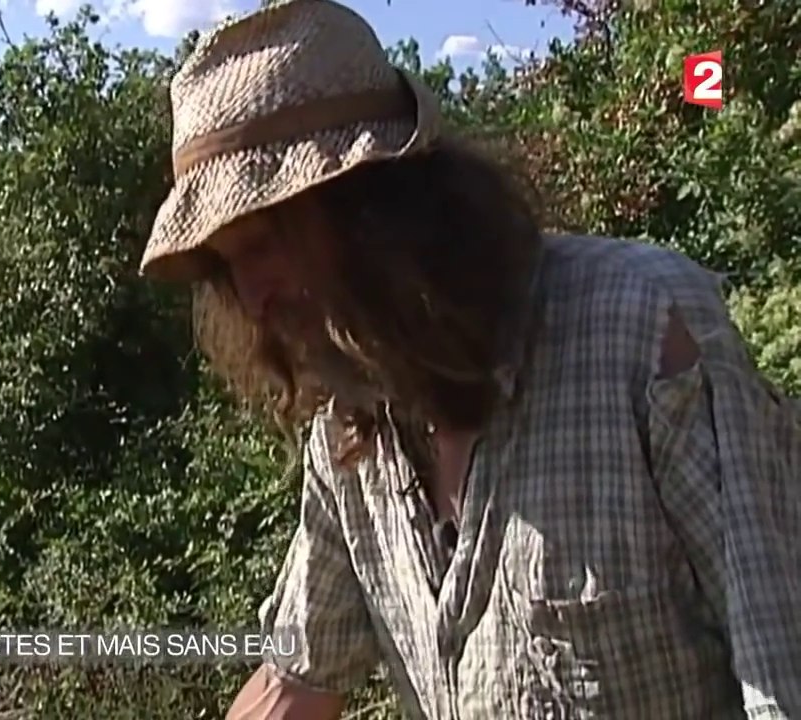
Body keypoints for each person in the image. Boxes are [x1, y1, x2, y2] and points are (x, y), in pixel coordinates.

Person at [136, 1, 801, 718]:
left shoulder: (641, 331)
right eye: (227, 269)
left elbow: (782, 665)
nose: (253, 297)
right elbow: (295, 680)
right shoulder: (351, 437)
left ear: (376, 210)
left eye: (264, 242)